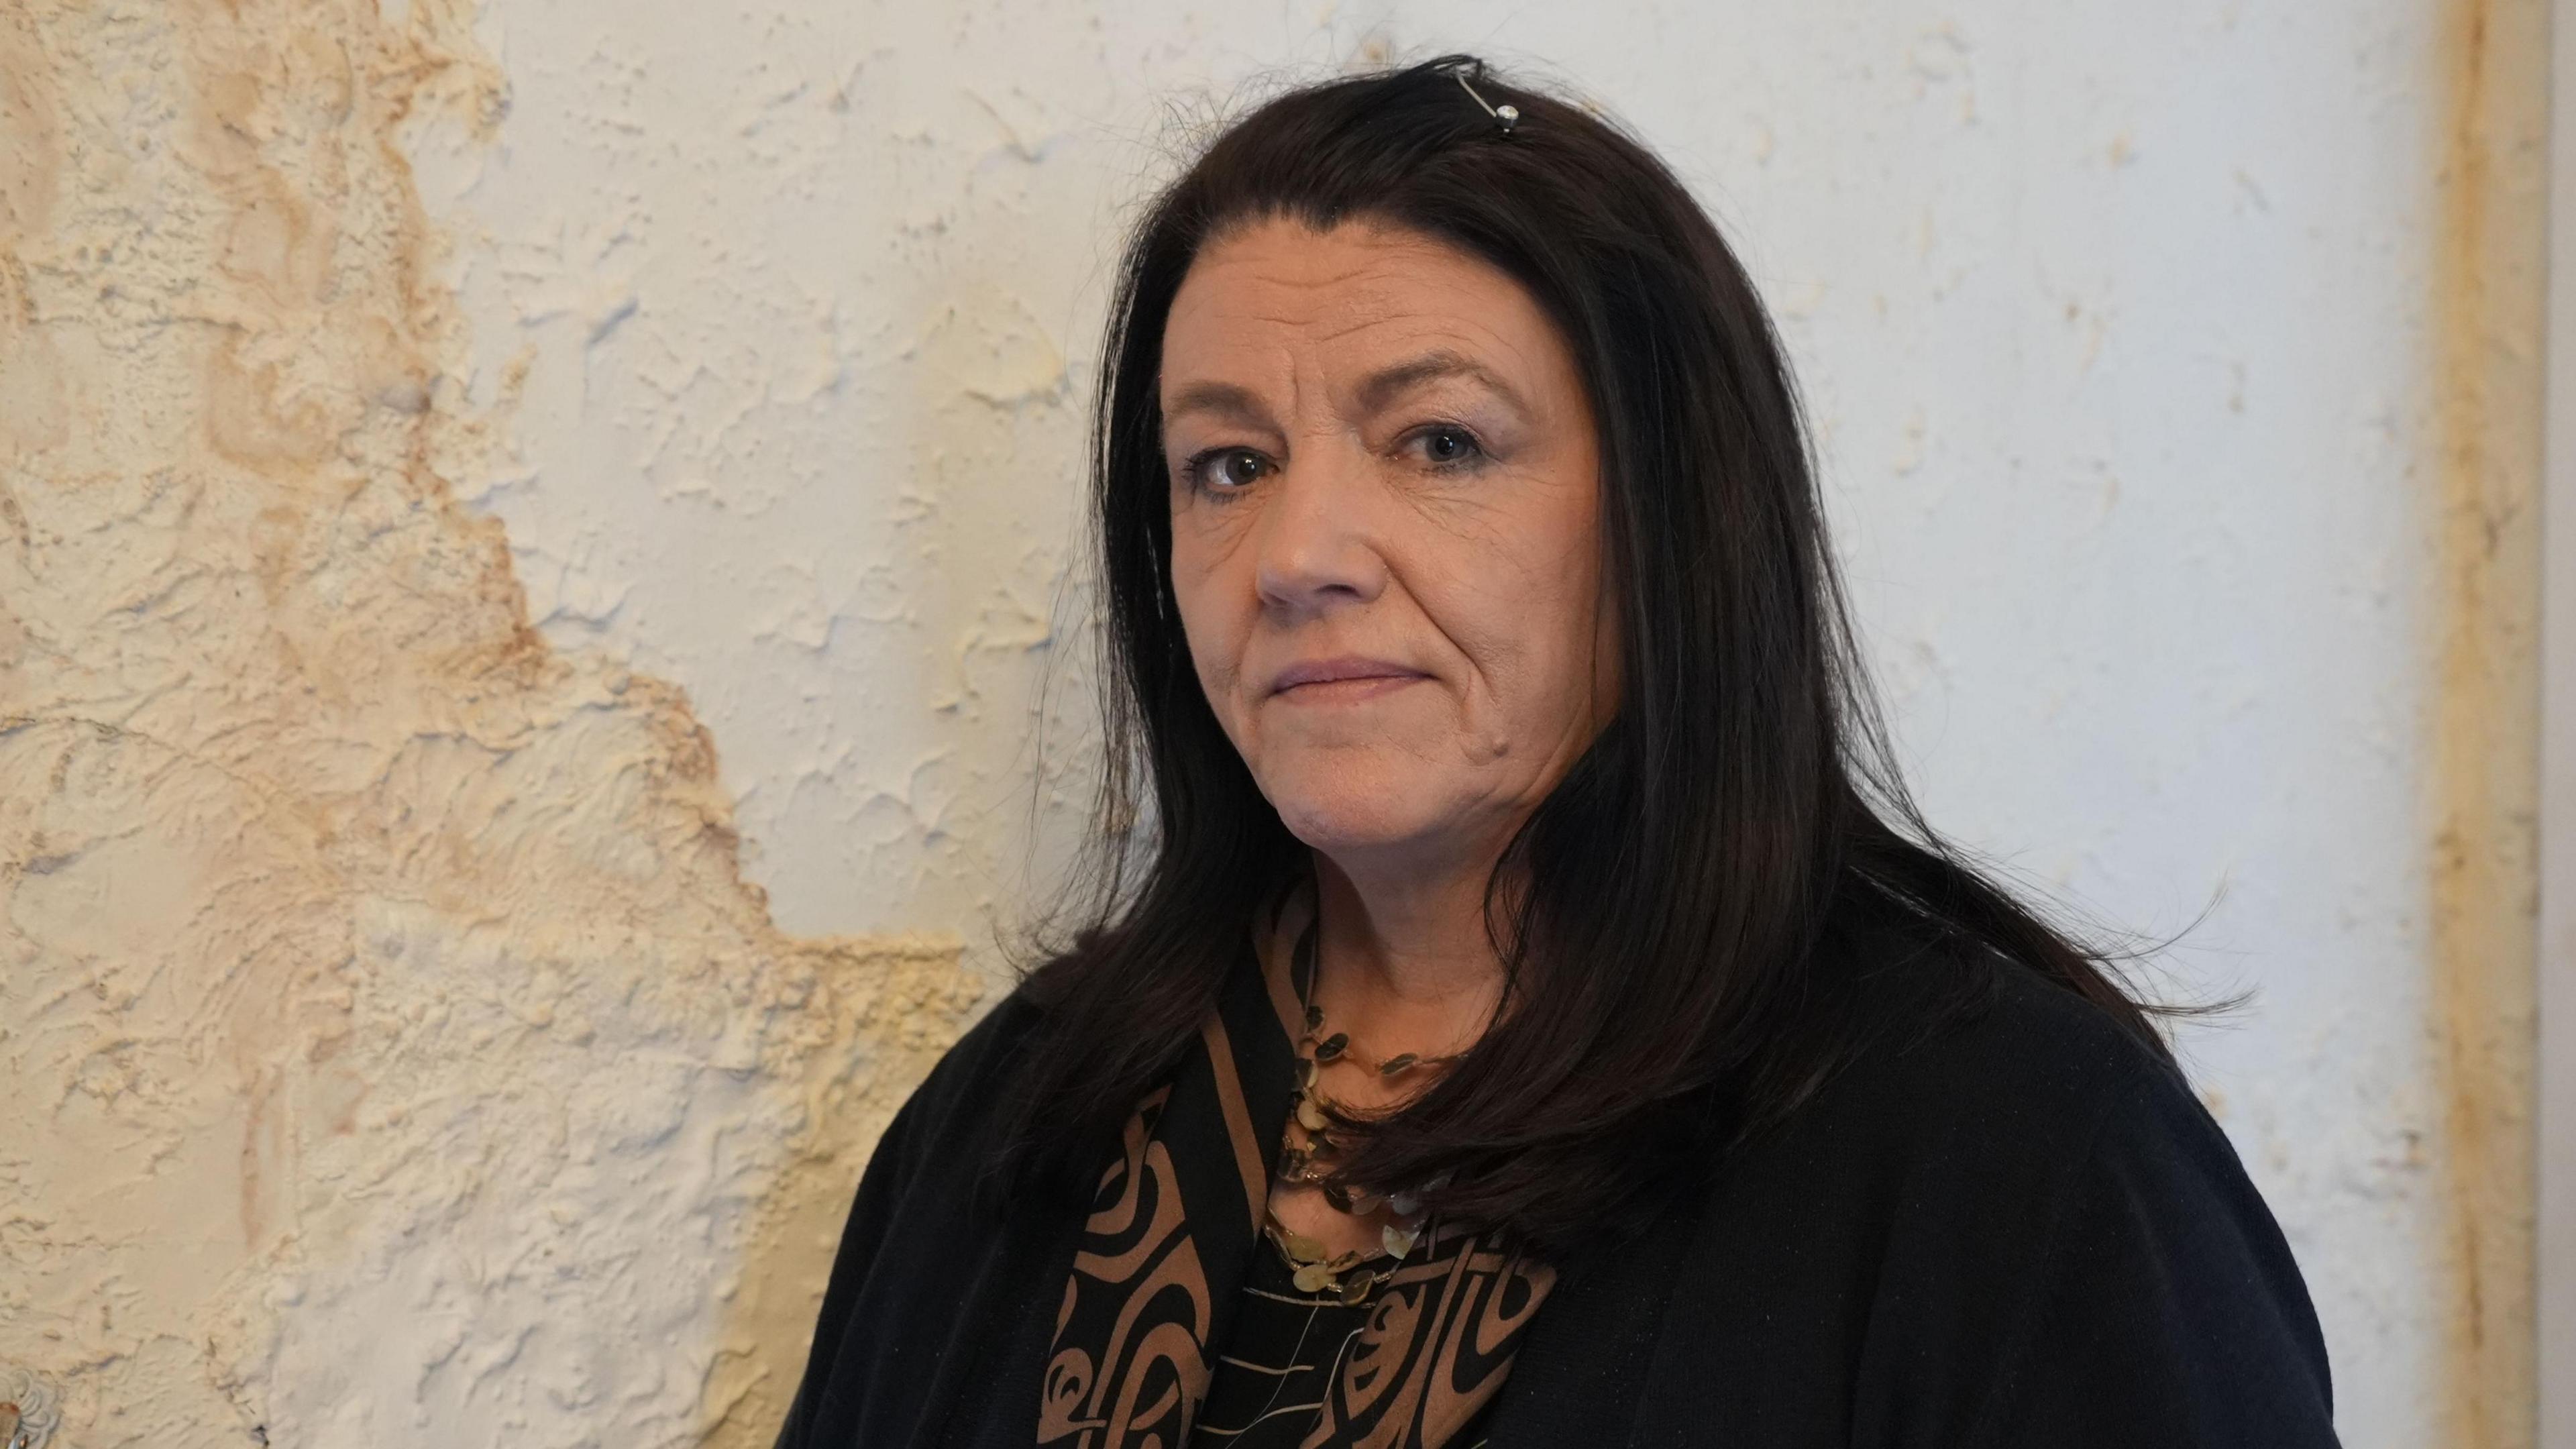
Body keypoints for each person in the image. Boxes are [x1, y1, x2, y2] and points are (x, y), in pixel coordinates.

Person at [773, 55, 2339, 1449]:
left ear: (1675, 522)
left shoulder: (2020, 1170)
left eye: (1441, 442)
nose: (1296, 552)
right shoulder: (1018, 1120)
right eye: (1228, 463)